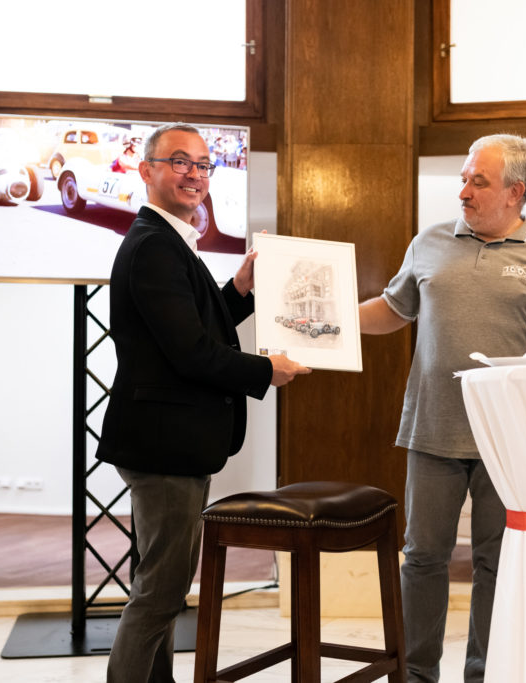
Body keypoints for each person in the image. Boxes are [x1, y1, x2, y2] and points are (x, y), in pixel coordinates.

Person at [359, 134, 526, 683]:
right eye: (464, 179)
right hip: (433, 428)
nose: (463, 191)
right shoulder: (430, 242)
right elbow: (394, 309)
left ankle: (483, 675)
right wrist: (326, 319)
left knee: (496, 562)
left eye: (477, 182)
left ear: (515, 192)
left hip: (511, 438)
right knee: (422, 557)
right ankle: (414, 675)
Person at [96, 122, 310, 683]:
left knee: (160, 586)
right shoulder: (154, 245)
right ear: (146, 170)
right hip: (164, 445)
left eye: (202, 165)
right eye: (179, 162)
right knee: (161, 592)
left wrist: (239, 288)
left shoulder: (169, 240)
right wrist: (267, 370)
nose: (193, 174)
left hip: (169, 441)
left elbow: (196, 326)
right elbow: (191, 353)